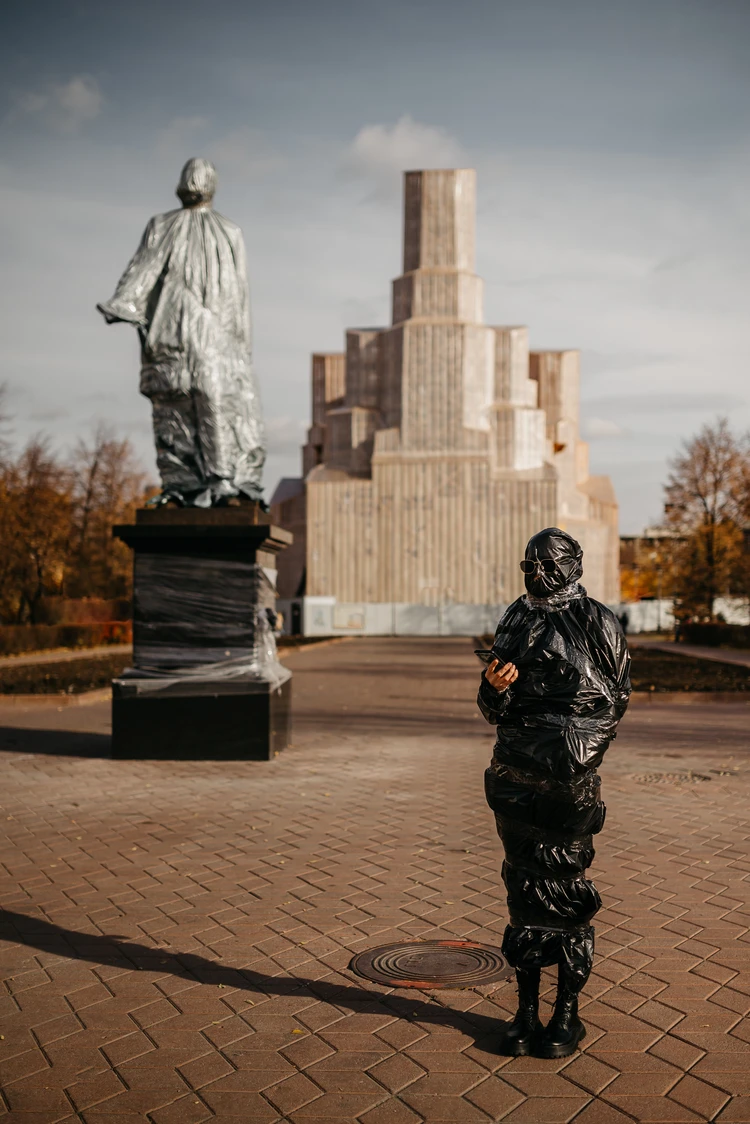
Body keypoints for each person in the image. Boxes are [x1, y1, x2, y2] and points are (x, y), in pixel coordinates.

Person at [478, 528, 630, 1058]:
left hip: (568, 783)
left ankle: (567, 1011)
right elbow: (491, 704)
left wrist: (566, 748)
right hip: (514, 778)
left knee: (565, 891)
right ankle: (524, 1009)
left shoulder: (597, 622)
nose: (537, 576)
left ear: (575, 565)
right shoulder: (516, 616)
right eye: (529, 567)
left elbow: (614, 701)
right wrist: (493, 689)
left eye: (548, 565)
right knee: (521, 890)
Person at [98, 158, 265, 508]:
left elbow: (240, 293)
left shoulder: (230, 232)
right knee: (173, 401)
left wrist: (242, 348)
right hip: (173, 330)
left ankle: (222, 478)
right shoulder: (163, 224)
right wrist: (125, 304)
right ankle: (182, 483)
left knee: (213, 399)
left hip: (215, 335)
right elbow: (143, 268)